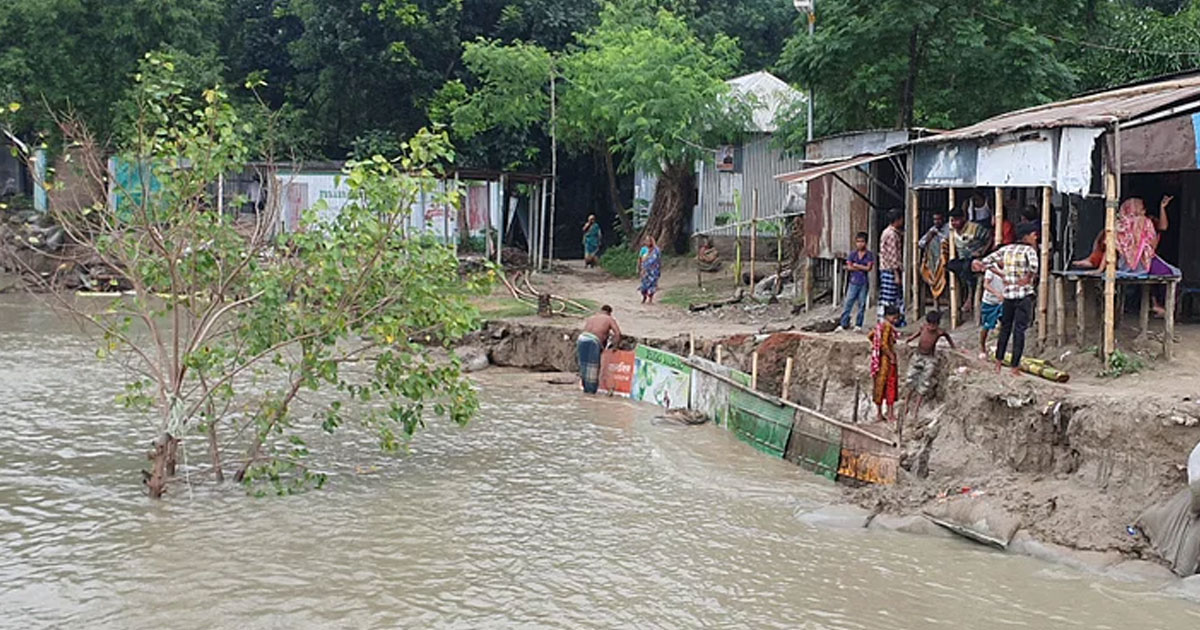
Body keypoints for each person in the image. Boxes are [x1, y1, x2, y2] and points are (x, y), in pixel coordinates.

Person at [973, 222, 1040, 375]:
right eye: (1033, 235)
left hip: (1008, 295)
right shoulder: (1029, 250)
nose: (1035, 237)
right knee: (1019, 331)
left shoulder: (1006, 249)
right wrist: (1028, 277)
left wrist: (999, 273)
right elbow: (1034, 267)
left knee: (1005, 329)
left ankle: (998, 363)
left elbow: (985, 262)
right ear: (1027, 236)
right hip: (1023, 295)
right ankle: (1014, 367)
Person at [1117, 196, 1179, 316]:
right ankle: (1165, 308)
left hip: (1124, 266)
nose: (1144, 211)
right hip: (1145, 263)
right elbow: (1153, 243)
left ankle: (1155, 304)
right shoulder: (1145, 222)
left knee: (1152, 282)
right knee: (1171, 274)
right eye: (1142, 208)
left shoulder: (1119, 224)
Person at [903, 310, 955, 423]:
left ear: (937, 324)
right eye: (930, 324)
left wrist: (953, 346)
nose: (931, 327)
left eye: (934, 325)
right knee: (911, 380)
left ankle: (916, 409)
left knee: (924, 384)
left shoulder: (939, 332)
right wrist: (910, 339)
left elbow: (948, 336)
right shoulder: (923, 327)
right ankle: (906, 404)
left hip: (929, 359)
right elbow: (917, 333)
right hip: (918, 356)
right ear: (927, 323)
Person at [946, 209, 992, 314]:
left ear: (963, 218)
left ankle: (970, 296)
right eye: (952, 220)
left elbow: (989, 237)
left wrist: (982, 251)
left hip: (976, 259)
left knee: (968, 267)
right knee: (951, 265)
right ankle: (967, 290)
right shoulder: (953, 231)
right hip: (963, 261)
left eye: (956, 220)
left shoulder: (975, 228)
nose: (954, 223)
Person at [577, 305, 622, 394]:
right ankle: (590, 393)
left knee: (584, 366)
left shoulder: (592, 317)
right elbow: (618, 333)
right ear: (609, 313)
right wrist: (615, 346)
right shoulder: (609, 319)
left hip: (581, 339)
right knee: (593, 368)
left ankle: (584, 389)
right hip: (593, 341)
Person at [869, 305, 901, 423]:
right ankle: (890, 414)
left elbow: (871, 336)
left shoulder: (879, 325)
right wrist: (891, 356)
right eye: (894, 317)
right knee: (890, 386)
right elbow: (883, 344)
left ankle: (879, 414)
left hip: (879, 361)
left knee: (879, 386)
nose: (895, 320)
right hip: (886, 361)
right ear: (888, 316)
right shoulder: (887, 326)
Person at [837, 232, 875, 332]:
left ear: (866, 243)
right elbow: (849, 267)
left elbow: (869, 268)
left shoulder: (869, 255)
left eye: (862, 241)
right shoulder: (852, 254)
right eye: (858, 241)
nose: (859, 244)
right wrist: (861, 267)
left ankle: (858, 325)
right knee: (848, 303)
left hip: (863, 282)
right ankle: (843, 324)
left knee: (861, 304)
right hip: (853, 282)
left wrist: (856, 266)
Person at [877, 209, 906, 327]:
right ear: (897, 220)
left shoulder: (890, 232)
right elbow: (893, 256)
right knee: (889, 298)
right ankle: (886, 322)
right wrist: (896, 274)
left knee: (892, 297)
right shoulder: (891, 235)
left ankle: (891, 321)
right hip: (890, 270)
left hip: (887, 269)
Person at [919, 211, 950, 305]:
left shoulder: (949, 228)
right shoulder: (932, 229)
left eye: (939, 219)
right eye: (935, 219)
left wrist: (939, 235)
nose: (937, 222)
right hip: (934, 260)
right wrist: (930, 236)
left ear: (943, 219)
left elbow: (948, 242)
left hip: (946, 260)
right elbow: (920, 244)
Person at [978, 265, 1005, 360]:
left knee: (1003, 324)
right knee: (986, 326)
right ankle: (982, 347)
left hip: (1002, 301)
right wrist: (996, 293)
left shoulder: (1009, 267)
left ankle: (998, 347)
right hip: (990, 301)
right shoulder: (991, 269)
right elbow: (986, 284)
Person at [638, 235, 661, 304]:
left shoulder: (656, 250)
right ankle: (644, 296)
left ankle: (650, 299)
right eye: (646, 241)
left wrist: (659, 269)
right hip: (645, 270)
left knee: (652, 285)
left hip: (653, 271)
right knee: (644, 286)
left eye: (649, 241)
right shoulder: (643, 249)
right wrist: (639, 268)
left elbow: (658, 260)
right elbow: (640, 259)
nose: (647, 242)